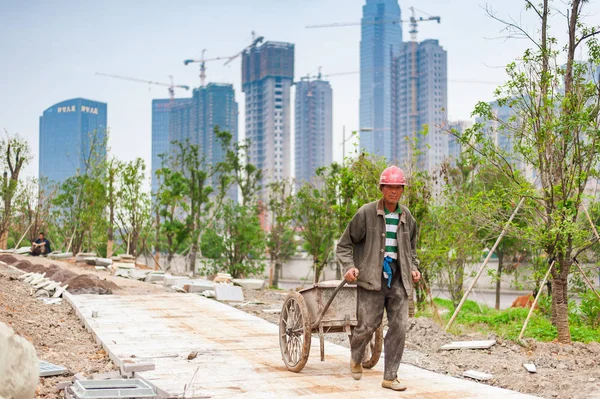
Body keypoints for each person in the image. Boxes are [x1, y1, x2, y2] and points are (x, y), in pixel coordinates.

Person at [336, 165, 421, 392]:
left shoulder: (407, 217)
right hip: (372, 277)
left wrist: (413, 268)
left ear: (402, 190)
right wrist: (349, 266)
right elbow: (345, 244)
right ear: (382, 188)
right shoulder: (366, 213)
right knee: (367, 325)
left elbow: (412, 250)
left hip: (398, 277)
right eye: (390, 187)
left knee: (399, 326)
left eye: (398, 187)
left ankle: (390, 376)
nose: (394, 191)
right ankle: (356, 356)